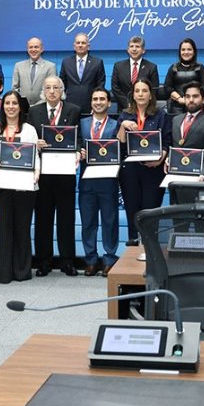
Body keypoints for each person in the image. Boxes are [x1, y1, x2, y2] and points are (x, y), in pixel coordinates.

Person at [29, 76, 81, 277]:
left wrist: (78, 150)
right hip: (43, 173)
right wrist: (36, 144)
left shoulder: (73, 110)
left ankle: (67, 261)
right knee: (43, 218)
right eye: (48, 88)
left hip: (65, 172)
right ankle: (44, 261)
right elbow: (28, 139)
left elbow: (78, 139)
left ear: (62, 90)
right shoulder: (34, 111)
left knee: (66, 217)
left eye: (56, 88)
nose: (52, 91)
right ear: (43, 91)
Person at [0, 91, 40, 283]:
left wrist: (37, 172)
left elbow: (35, 155)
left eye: (14, 103)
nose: (11, 107)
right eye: (7, 103)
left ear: (20, 107)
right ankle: (4, 272)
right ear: (3, 107)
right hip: (2, 186)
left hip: (25, 186)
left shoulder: (29, 129)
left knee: (22, 227)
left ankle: (22, 271)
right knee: (5, 228)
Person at [117, 78, 170, 246]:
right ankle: (133, 245)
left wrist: (161, 158)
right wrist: (123, 125)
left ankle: (150, 248)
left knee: (150, 209)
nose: (140, 94)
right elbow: (119, 143)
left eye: (144, 91)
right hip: (130, 170)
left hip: (153, 169)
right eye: (137, 91)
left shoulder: (160, 114)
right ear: (133, 95)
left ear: (150, 95)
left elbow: (167, 141)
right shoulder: (125, 114)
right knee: (132, 208)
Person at [78, 89, 121, 276]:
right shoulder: (81, 123)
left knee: (109, 221)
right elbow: (76, 144)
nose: (98, 102)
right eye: (95, 99)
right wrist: (79, 150)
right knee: (88, 222)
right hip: (87, 181)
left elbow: (120, 149)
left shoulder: (116, 125)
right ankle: (91, 260)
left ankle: (110, 259)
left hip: (108, 181)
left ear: (109, 103)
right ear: (91, 103)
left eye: (102, 99)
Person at [168, 81, 204, 181]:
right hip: (177, 174)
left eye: (195, 96)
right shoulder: (176, 120)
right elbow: (173, 147)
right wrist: (168, 158)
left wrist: (203, 175)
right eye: (187, 96)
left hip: (197, 176)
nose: (191, 100)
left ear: (203, 99)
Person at [59, 32, 105, 116]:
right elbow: (61, 85)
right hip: (69, 105)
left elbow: (100, 85)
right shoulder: (66, 62)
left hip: (90, 106)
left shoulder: (97, 62)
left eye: (83, 43)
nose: (80, 45)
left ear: (88, 46)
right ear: (74, 46)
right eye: (78, 43)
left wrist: (96, 104)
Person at [162, 38, 204, 115]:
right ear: (180, 52)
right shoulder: (173, 68)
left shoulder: (200, 68)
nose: (186, 52)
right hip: (176, 106)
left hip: (195, 105)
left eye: (189, 49)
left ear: (194, 52)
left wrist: (191, 98)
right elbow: (167, 87)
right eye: (183, 50)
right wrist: (179, 99)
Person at [111, 36, 159, 108]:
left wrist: (142, 103)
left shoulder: (151, 67)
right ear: (128, 50)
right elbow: (115, 87)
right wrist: (127, 104)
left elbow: (154, 89)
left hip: (145, 107)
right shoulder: (118, 66)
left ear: (143, 50)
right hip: (124, 108)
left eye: (137, 46)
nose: (134, 49)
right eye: (131, 46)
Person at [11, 37, 56, 105]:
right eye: (30, 47)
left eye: (36, 47)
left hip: (42, 106)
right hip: (23, 107)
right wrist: (22, 103)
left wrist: (37, 106)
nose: (33, 50)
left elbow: (51, 89)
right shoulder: (18, 66)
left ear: (42, 49)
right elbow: (15, 88)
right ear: (27, 49)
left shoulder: (50, 66)